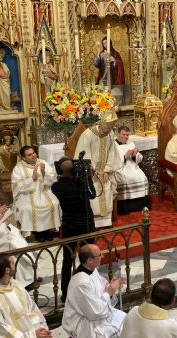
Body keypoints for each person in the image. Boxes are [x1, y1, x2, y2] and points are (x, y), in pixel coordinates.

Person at [0, 254, 74, 338]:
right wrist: (33, 337)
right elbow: (1, 332)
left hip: (30, 333)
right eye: (13, 264)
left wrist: (41, 331)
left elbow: (32, 311)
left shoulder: (16, 285)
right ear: (7, 270)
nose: (16, 266)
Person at [62, 244, 126, 338]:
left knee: (130, 321)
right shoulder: (81, 283)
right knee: (129, 331)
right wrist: (109, 292)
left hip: (100, 317)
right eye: (100, 254)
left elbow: (102, 291)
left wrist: (111, 286)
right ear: (90, 260)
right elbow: (94, 313)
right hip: (88, 328)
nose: (103, 256)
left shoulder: (92, 270)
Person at [51, 157, 96, 302]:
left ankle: (65, 293)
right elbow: (92, 194)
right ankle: (90, 288)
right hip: (85, 225)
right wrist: (88, 177)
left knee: (67, 259)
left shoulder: (56, 187)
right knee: (88, 257)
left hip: (69, 225)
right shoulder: (81, 183)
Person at [74, 109, 123, 227]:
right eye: (105, 131)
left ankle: (106, 221)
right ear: (100, 125)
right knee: (93, 195)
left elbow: (112, 152)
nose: (106, 133)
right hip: (91, 173)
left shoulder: (110, 134)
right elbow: (84, 154)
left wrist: (107, 169)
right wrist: (91, 170)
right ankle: (94, 223)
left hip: (105, 172)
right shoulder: (88, 135)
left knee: (107, 191)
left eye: (109, 131)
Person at [11, 145, 61, 240]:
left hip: (43, 191)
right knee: (28, 208)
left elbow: (53, 178)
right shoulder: (18, 168)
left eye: (33, 153)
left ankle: (48, 231)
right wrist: (32, 179)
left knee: (54, 204)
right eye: (29, 155)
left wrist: (43, 173)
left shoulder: (42, 163)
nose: (33, 155)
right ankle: (38, 234)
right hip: (26, 194)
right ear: (24, 158)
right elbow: (17, 185)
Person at [114, 126, 150, 215]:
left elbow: (139, 158)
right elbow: (112, 161)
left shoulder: (131, 144)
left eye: (127, 135)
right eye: (123, 134)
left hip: (132, 167)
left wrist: (134, 155)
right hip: (120, 168)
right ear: (117, 134)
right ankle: (125, 208)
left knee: (142, 177)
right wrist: (124, 157)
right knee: (125, 179)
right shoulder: (112, 145)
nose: (125, 137)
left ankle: (141, 206)